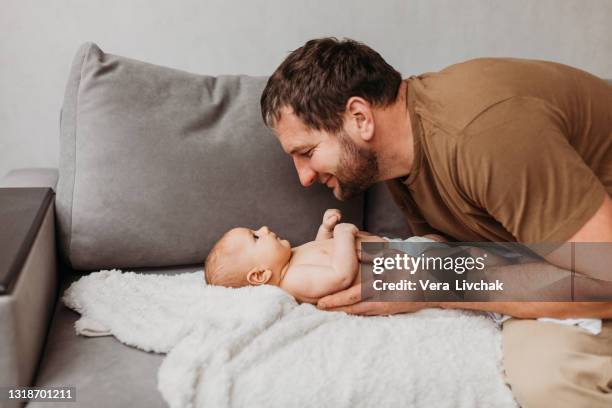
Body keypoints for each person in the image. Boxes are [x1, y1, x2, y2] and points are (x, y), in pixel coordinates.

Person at [260, 37, 612, 407]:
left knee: (548, 379)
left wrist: (438, 282)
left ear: (360, 118)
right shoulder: (396, 157)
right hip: (570, 262)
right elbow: (453, 249)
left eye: (307, 152)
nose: (303, 177)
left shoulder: (483, 135)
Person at [204, 209, 386, 303]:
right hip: (393, 271)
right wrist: (343, 234)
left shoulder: (290, 259)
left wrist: (325, 230)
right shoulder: (294, 280)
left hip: (393, 253)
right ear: (260, 275)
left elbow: (319, 252)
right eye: (256, 237)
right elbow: (341, 276)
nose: (264, 228)